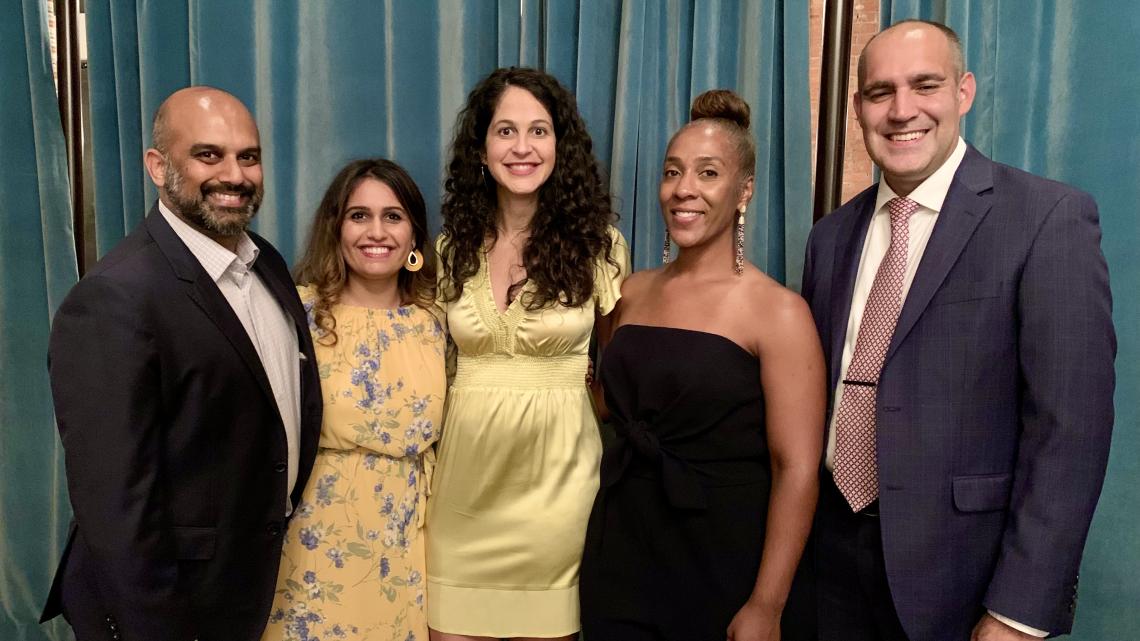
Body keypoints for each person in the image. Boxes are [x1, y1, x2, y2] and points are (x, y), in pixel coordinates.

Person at [796, 19, 1115, 641]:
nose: (902, 110)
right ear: (858, 106)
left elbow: (1071, 430)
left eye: (925, 85)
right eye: (880, 92)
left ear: (963, 93)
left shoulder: (1047, 218)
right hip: (827, 559)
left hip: (960, 577)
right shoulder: (830, 238)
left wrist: (1019, 613)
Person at [40, 86, 323, 641]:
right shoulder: (115, 298)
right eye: (208, 155)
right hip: (167, 609)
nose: (235, 175)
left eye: (249, 157)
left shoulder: (266, 264)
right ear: (157, 165)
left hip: (245, 588)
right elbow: (115, 504)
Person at [578, 90, 826, 641]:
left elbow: (797, 469)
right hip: (619, 548)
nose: (683, 189)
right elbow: (606, 405)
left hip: (721, 560)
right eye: (672, 172)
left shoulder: (779, 312)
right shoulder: (629, 291)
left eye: (707, 173)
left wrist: (767, 603)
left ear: (744, 191)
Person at [425, 67, 629, 641]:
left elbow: (613, 366)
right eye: (505, 130)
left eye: (539, 131)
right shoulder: (450, 248)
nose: (522, 147)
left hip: (557, 494)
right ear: (481, 146)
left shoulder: (601, 246)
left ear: (560, 146)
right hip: (463, 494)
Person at [261, 159, 446, 641]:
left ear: (413, 235)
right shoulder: (294, 314)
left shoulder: (439, 319)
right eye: (358, 215)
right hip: (313, 539)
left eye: (393, 216)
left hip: (409, 540)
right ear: (336, 227)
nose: (376, 232)